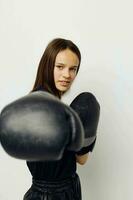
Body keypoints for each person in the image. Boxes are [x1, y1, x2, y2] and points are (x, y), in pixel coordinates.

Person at [20, 38, 99, 200]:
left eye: (73, 69)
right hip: (53, 195)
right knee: (87, 101)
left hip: (56, 191)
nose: (67, 75)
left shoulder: (40, 101)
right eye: (60, 67)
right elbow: (81, 159)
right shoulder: (42, 106)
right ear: (47, 66)